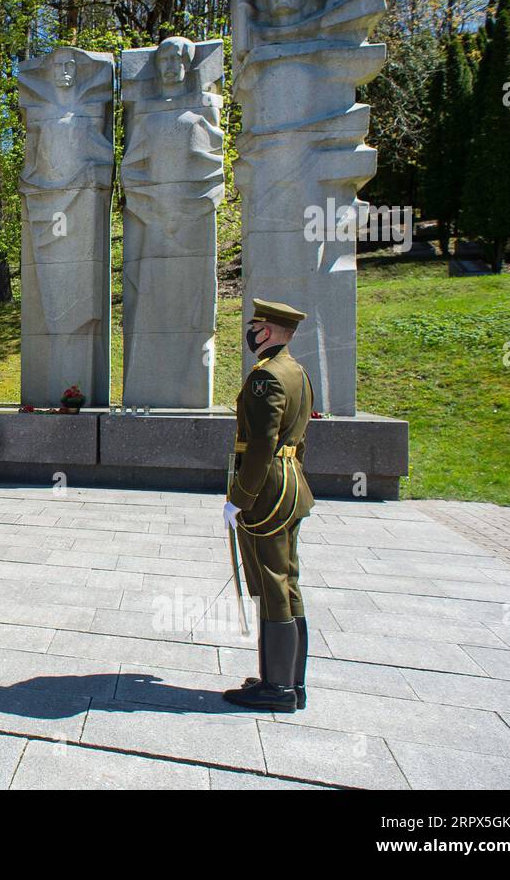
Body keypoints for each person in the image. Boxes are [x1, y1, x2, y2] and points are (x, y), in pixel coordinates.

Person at [221, 299, 315, 712]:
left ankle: (276, 689)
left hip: (266, 490)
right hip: (290, 484)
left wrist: (240, 498)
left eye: (256, 326)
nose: (251, 332)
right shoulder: (297, 371)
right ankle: (291, 682)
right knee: (287, 582)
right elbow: (299, 438)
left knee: (271, 583)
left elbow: (262, 445)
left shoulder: (266, 379)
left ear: (271, 331)